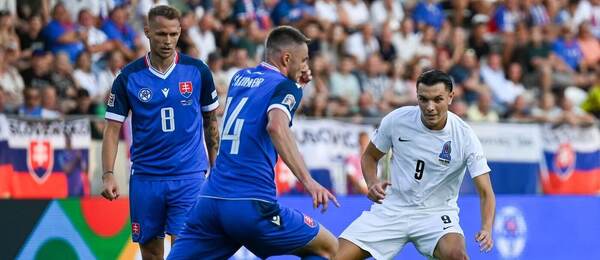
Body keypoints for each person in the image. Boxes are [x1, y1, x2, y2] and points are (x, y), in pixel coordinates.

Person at [168, 26, 339, 259]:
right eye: (304, 60)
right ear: (286, 58)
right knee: (329, 247)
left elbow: (260, 99)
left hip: (210, 200)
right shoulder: (286, 87)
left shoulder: (240, 78)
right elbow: (276, 126)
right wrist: (309, 182)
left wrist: (296, 84)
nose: (305, 66)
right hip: (251, 203)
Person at [337, 69, 496, 260]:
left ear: (450, 97)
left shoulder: (465, 136)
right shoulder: (397, 120)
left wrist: (487, 228)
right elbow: (369, 156)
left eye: (437, 99)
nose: (430, 107)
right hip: (392, 208)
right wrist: (372, 182)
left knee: (457, 256)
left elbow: (486, 192)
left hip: (436, 214)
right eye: (423, 99)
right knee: (335, 256)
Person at [100, 5, 219, 259]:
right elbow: (112, 130)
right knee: (152, 255)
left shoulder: (198, 71)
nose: (168, 41)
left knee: (185, 251)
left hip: (189, 177)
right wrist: (108, 174)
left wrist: (216, 168)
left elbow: (211, 122)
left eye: (173, 34)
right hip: (146, 178)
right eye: (161, 34)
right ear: (147, 32)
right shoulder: (128, 77)